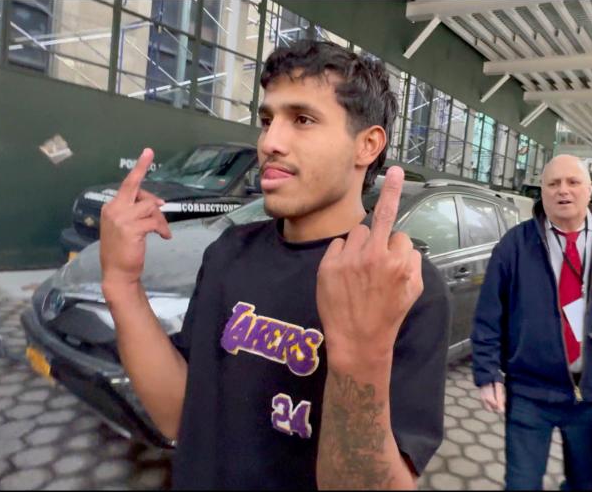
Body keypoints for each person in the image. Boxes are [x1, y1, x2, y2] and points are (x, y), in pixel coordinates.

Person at [99, 40, 450, 490]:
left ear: (367, 145)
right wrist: (122, 282)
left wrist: (362, 356)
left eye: (302, 119)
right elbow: (180, 415)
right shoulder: (230, 252)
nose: (269, 142)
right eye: (267, 120)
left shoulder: (403, 283)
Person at [471, 154, 592, 490]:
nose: (563, 191)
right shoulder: (515, 244)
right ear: (541, 192)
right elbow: (488, 315)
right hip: (529, 394)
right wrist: (486, 374)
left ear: (589, 189)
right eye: (553, 183)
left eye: (573, 182)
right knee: (521, 483)